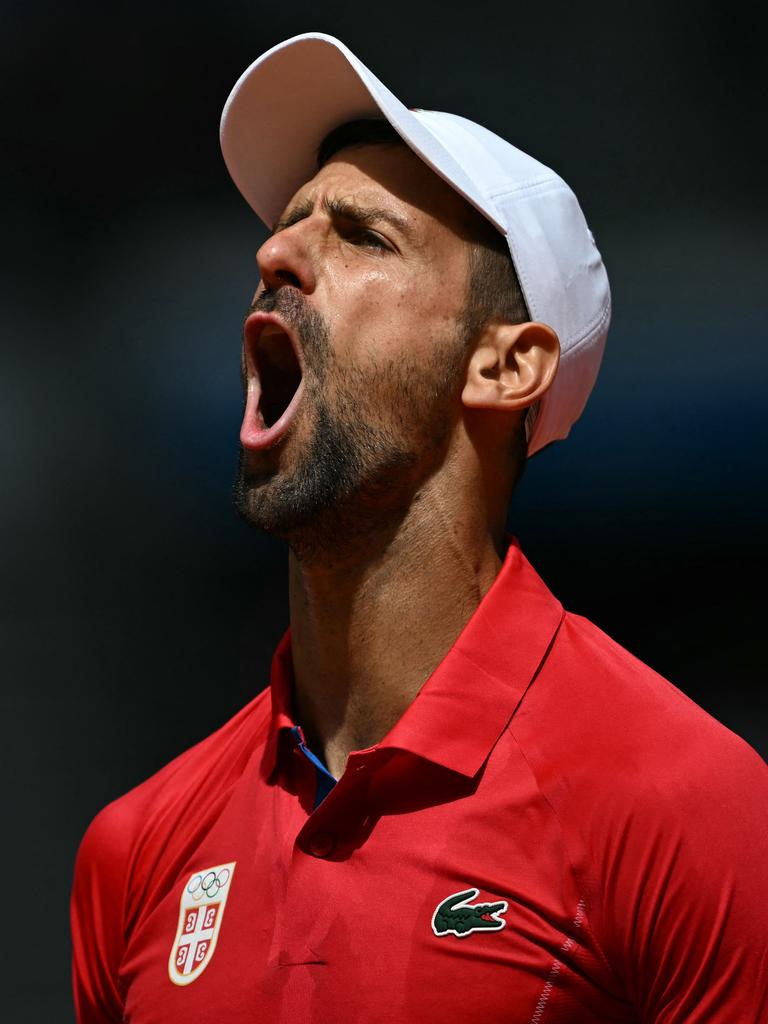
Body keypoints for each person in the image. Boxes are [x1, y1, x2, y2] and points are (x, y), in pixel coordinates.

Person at [70, 32, 768, 1024]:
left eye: (361, 235)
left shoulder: (688, 807)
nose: (273, 253)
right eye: (287, 224)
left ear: (502, 366)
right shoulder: (134, 852)